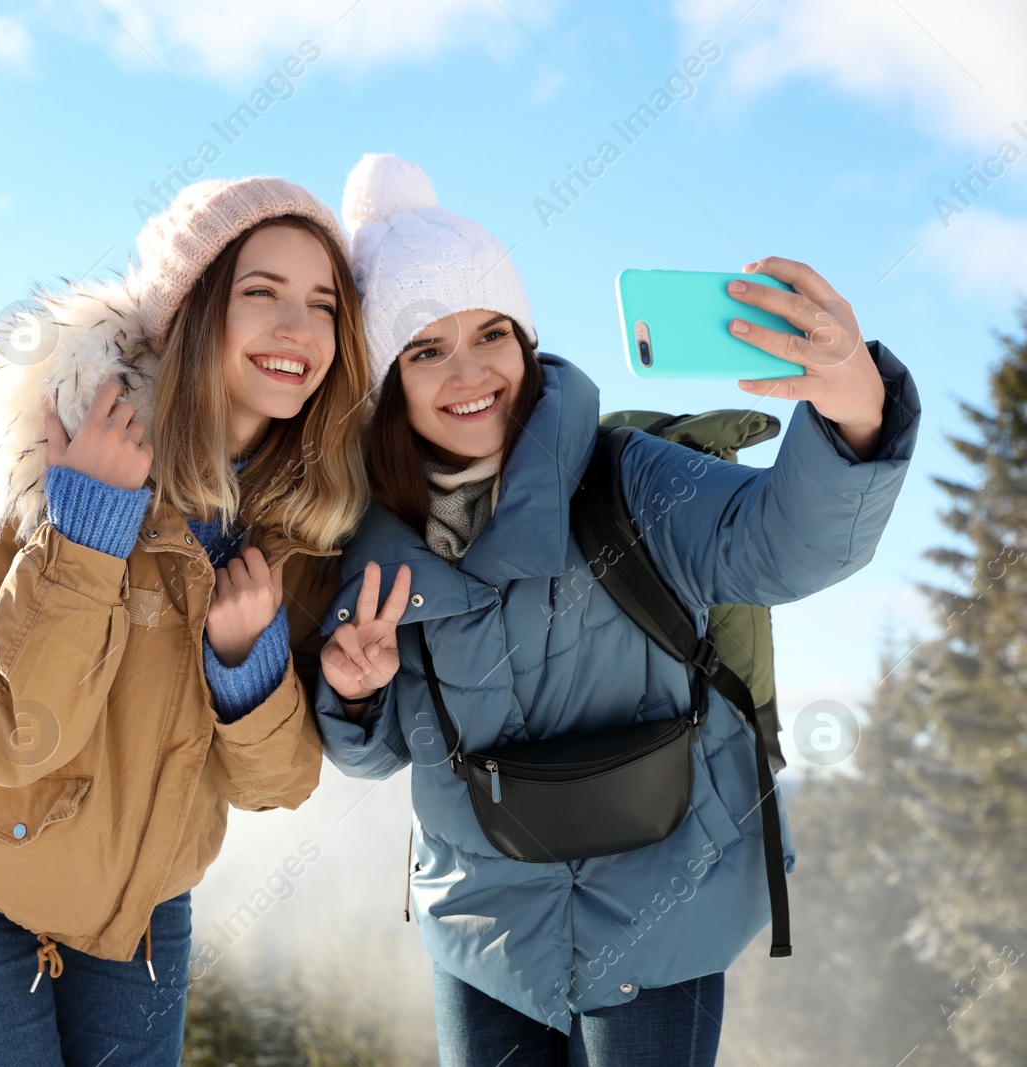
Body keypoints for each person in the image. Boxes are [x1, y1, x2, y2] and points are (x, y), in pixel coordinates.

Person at [314, 153, 921, 1066]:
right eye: (426, 348)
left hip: (660, 915)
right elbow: (384, 750)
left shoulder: (625, 477)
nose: (471, 371)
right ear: (384, 383)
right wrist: (356, 697)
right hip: (482, 931)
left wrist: (855, 414)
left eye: (493, 333)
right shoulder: (373, 542)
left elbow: (782, 545)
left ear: (526, 340)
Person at [0, 175, 372, 1066]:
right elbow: (1, 738)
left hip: (142, 904)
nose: (298, 328)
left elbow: (277, 784)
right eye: (261, 293)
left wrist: (245, 662)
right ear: (189, 310)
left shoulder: (309, 519)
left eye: (323, 303)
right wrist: (85, 536)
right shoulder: (52, 447)